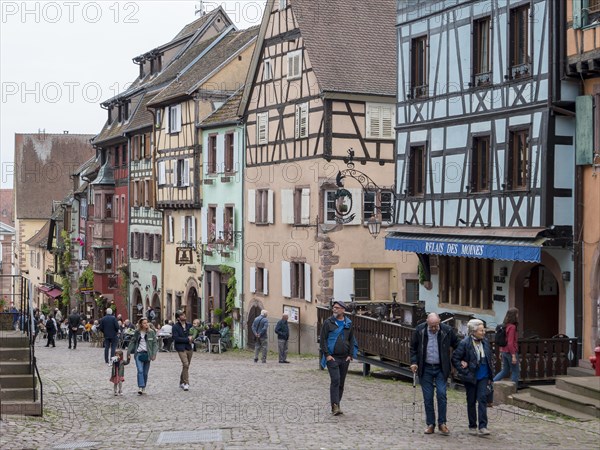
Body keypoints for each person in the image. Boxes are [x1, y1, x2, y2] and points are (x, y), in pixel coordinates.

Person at [409, 312, 459, 435]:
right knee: (428, 397)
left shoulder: (447, 330)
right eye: (431, 326)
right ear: (427, 322)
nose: (434, 328)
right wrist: (414, 362)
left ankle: (442, 423)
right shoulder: (420, 330)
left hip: (441, 368)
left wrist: (454, 361)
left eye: (436, 325)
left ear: (439, 321)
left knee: (442, 394)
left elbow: (457, 345)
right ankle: (430, 424)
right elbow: (413, 348)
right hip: (425, 368)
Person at [452, 319, 495, 436]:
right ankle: (472, 425)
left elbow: (489, 358)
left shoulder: (485, 342)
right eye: (481, 330)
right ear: (474, 331)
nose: (484, 332)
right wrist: (463, 370)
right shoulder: (465, 343)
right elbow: (455, 358)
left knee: (482, 399)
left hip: (484, 375)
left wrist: (491, 374)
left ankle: (483, 426)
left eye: (483, 329)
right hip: (471, 376)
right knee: (471, 401)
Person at [320, 301, 358, 416]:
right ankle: (334, 406)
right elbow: (323, 340)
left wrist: (350, 355)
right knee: (335, 380)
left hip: (344, 358)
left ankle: (337, 403)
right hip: (332, 358)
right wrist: (327, 355)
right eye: (334, 307)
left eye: (337, 308)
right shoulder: (328, 323)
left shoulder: (348, 323)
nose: (334, 309)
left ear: (343, 310)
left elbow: (351, 339)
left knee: (341, 382)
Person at [127, 317, 158, 395]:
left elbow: (155, 344)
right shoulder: (137, 332)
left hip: (148, 354)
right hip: (139, 354)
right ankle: (140, 387)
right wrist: (128, 353)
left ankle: (144, 387)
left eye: (147, 322)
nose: (146, 324)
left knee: (145, 373)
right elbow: (132, 342)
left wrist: (154, 354)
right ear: (141, 324)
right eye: (144, 323)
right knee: (140, 371)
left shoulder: (151, 332)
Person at [493, 307, 520, 388]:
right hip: (510, 352)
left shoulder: (504, 325)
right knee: (515, 371)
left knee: (505, 370)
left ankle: (491, 383)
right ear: (514, 315)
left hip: (504, 351)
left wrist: (501, 351)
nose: (518, 316)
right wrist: (513, 355)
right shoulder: (512, 327)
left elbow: (503, 340)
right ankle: (512, 389)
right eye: (517, 314)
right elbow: (510, 342)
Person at [172, 310, 193, 391]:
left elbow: (193, 334)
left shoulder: (189, 325)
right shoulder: (175, 327)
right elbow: (176, 338)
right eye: (182, 315)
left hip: (189, 348)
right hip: (180, 348)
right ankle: (186, 383)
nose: (184, 315)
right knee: (186, 364)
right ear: (178, 318)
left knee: (186, 366)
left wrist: (193, 337)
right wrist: (187, 339)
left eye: (184, 314)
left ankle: (181, 382)